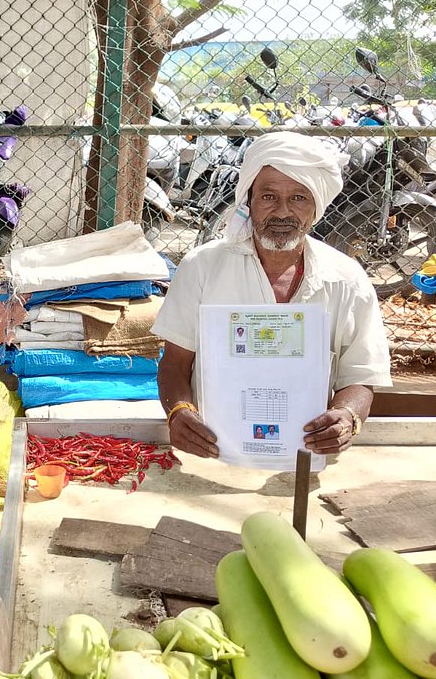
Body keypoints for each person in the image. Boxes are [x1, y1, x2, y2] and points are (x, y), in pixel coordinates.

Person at [152, 132, 391, 459]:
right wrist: (178, 411)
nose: (282, 212)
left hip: (307, 453)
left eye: (298, 198)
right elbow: (175, 364)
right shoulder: (202, 267)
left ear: (316, 205)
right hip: (213, 451)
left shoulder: (346, 280)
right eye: (268, 197)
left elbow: (361, 377)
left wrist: (347, 418)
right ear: (249, 201)